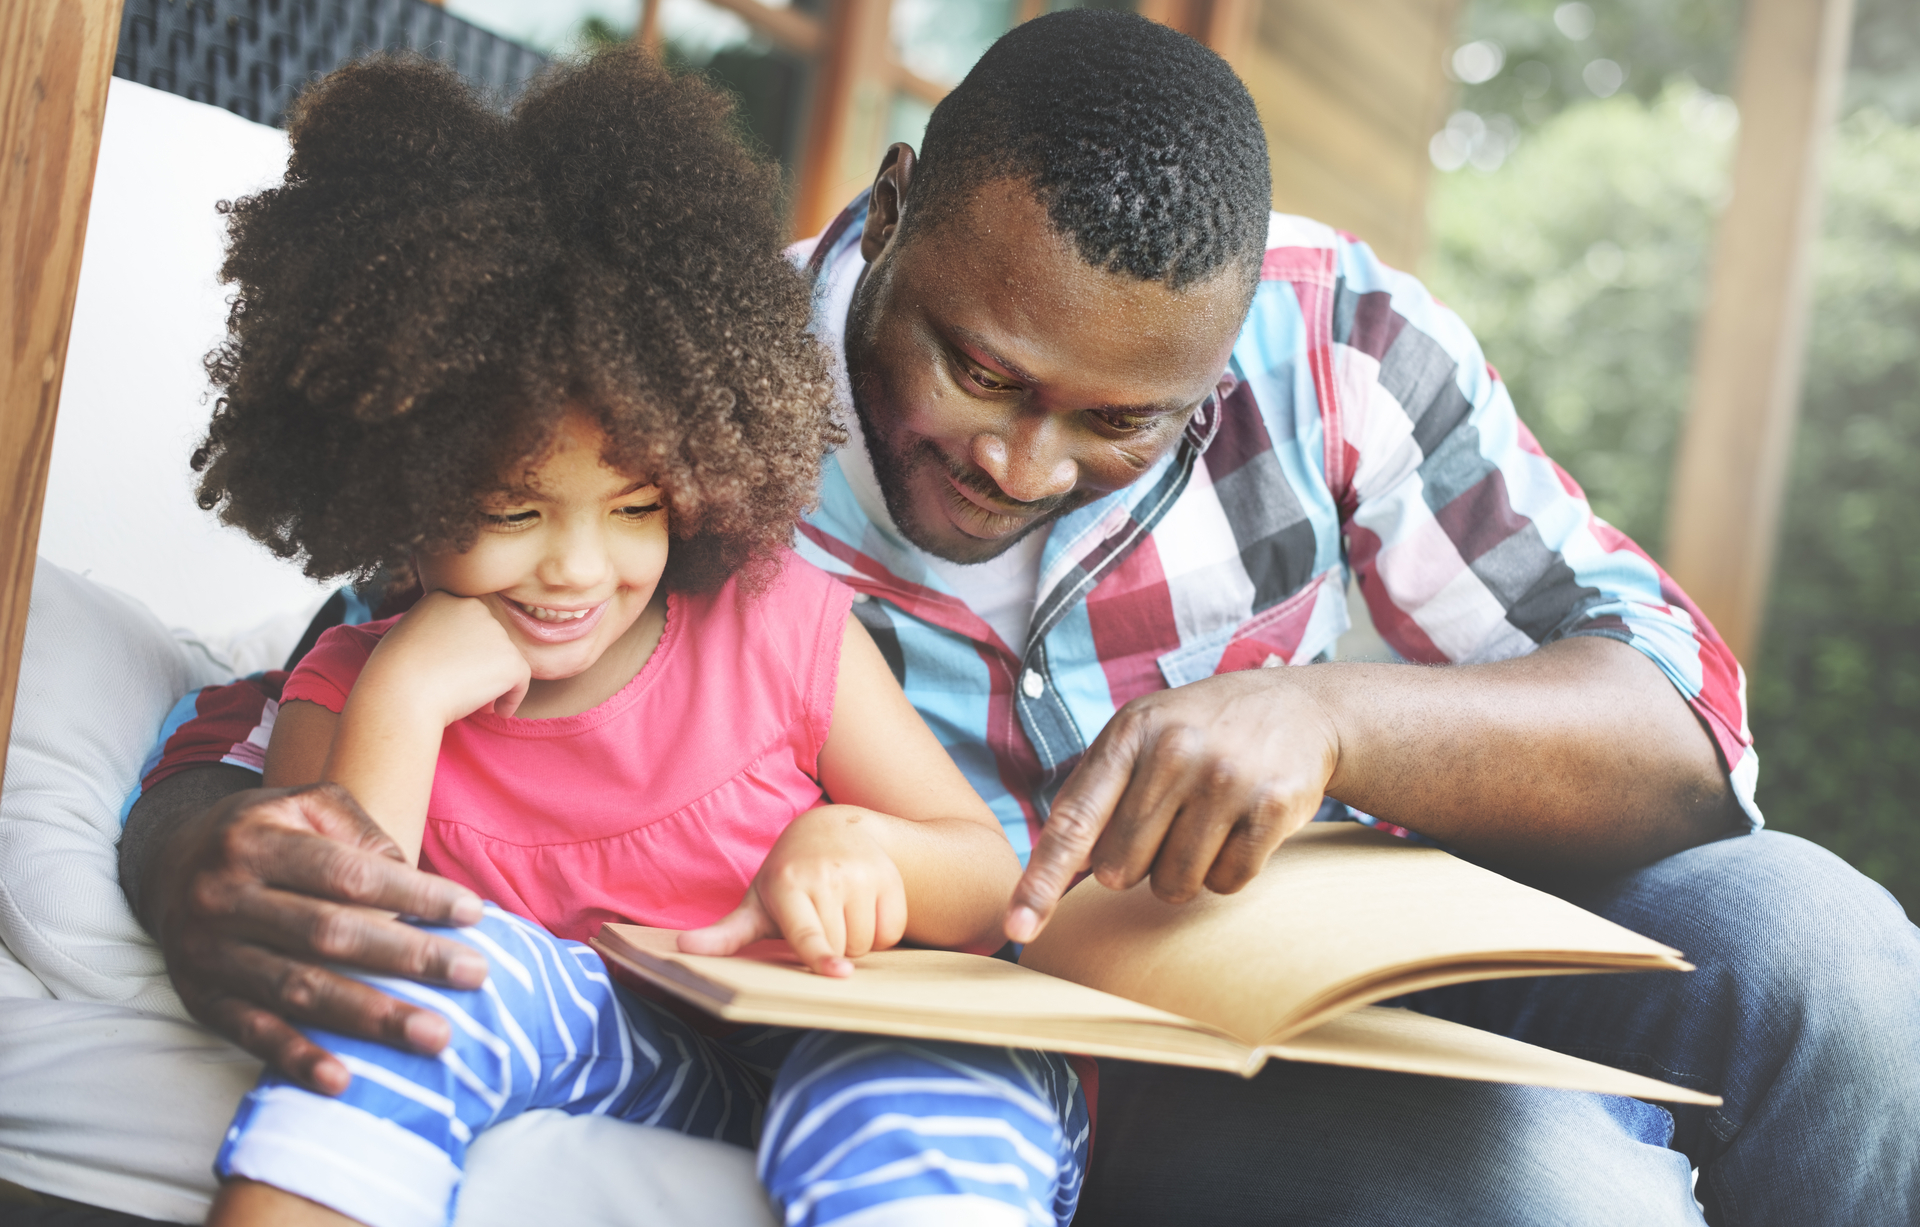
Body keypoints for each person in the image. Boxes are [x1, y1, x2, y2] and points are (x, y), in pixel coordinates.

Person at [120, 11, 1919, 1226]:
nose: (1019, 455)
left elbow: (1681, 732)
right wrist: (205, 843)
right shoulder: (668, 392)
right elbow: (321, 687)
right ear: (895, 210)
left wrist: (1332, 718)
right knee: (1546, 1177)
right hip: (1067, 1044)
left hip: (1344, 941)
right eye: (974, 365)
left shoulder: (1342, 347)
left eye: (1120, 420)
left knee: (1839, 966)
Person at [174, 48, 1088, 1227]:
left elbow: (987, 887)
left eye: (635, 507)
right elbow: (343, 951)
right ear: (392, 485)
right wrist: (401, 697)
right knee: (429, 988)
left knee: (930, 1080)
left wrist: (864, 851)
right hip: (641, 1067)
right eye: (511, 512)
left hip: (859, 1032)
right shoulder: (352, 691)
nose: (574, 566)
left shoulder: (773, 627)